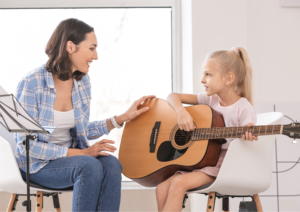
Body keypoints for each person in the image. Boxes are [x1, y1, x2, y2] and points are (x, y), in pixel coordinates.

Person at [14, 18, 154, 212]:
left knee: (112, 165)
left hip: (72, 159)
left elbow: (80, 130)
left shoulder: (82, 82)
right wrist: (81, 153)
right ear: (70, 47)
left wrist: (120, 119)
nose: (95, 56)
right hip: (37, 165)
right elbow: (26, 146)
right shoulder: (32, 83)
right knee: (89, 165)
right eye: (91, 48)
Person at [155, 47, 257, 211]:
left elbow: (249, 135)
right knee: (161, 189)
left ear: (228, 78)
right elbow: (172, 96)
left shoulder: (243, 107)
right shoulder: (211, 100)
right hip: (202, 163)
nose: (202, 79)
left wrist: (249, 133)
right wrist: (181, 112)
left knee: (178, 183)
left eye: (208, 74)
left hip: (224, 168)